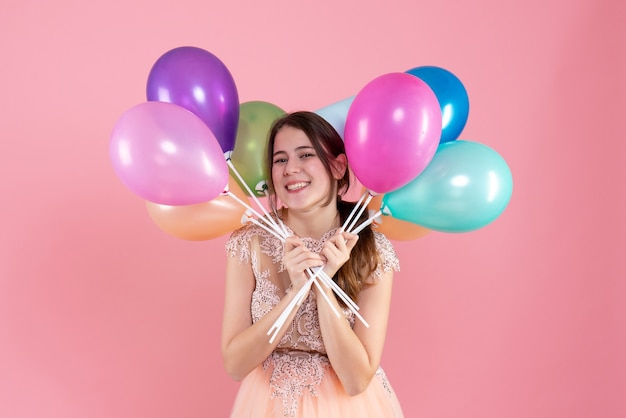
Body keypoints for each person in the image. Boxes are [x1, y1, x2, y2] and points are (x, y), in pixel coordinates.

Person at [222, 111, 404, 417]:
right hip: (267, 405)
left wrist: (323, 282)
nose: (291, 169)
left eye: (305, 155)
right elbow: (235, 365)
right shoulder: (249, 241)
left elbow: (357, 379)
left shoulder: (372, 249)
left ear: (338, 166)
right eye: (280, 160)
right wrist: (295, 292)